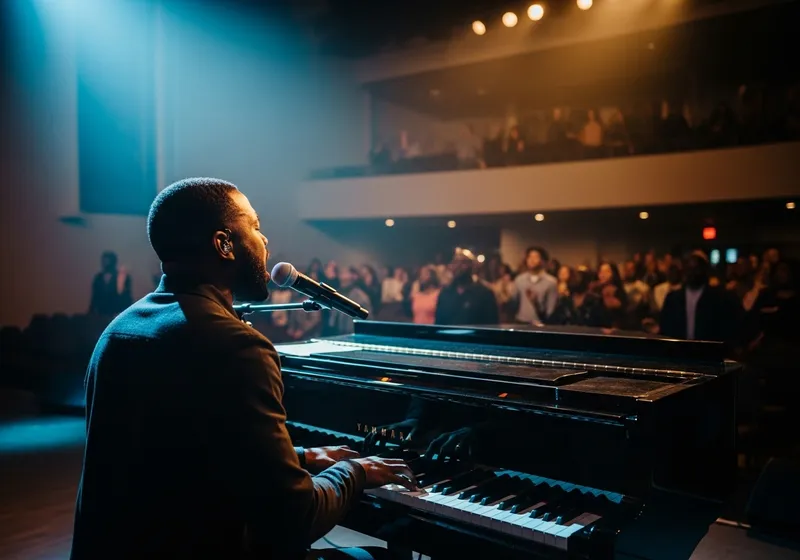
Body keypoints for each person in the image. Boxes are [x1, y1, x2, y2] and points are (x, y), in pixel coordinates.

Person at [71, 178, 414, 560]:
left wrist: (302, 457)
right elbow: (295, 518)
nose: (265, 240)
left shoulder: (118, 331)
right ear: (224, 243)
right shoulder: (236, 346)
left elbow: (182, 459)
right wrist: (358, 472)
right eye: (254, 226)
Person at [434, 249, 499, 325]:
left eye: (463, 263)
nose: (458, 266)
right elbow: (439, 323)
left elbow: (491, 325)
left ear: (471, 266)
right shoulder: (445, 294)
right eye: (455, 262)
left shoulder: (484, 294)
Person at [511, 246, 558, 326]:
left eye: (536, 257)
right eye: (529, 257)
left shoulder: (551, 282)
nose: (531, 260)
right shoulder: (519, 279)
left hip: (540, 324)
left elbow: (551, 309)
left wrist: (536, 303)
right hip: (521, 322)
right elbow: (514, 301)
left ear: (543, 261)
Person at [88, 251, 132, 316]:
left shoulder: (122, 277)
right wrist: (91, 311)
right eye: (103, 261)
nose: (104, 263)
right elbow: (95, 296)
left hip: (117, 312)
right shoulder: (98, 278)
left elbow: (126, 296)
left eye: (107, 261)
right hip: (101, 313)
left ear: (113, 262)